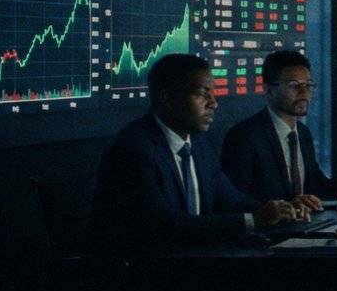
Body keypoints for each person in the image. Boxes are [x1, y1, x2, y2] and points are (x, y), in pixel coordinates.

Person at [93, 53, 298, 255]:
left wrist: (282, 210)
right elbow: (164, 225)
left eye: (213, 93)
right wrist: (253, 220)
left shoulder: (198, 143)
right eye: (202, 93)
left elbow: (232, 200)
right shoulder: (132, 150)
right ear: (168, 98)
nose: (213, 103)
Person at [220, 49, 337, 209]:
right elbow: (233, 199)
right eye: (294, 85)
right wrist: (282, 208)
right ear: (269, 90)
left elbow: (315, 182)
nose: (304, 92)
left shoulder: (303, 133)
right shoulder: (244, 137)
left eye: (308, 85)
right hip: (267, 231)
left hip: (303, 226)